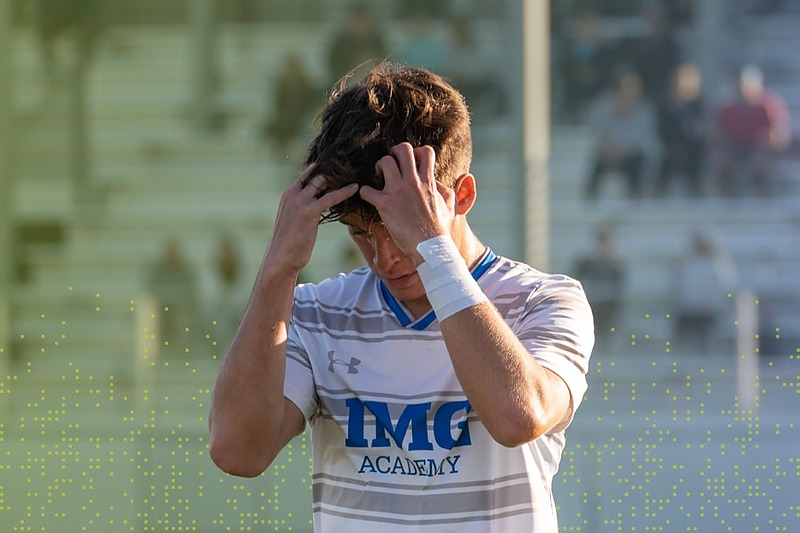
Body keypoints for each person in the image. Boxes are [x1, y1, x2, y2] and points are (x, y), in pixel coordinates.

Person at [208, 62, 594, 531]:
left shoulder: (545, 300)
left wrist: (431, 250)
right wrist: (276, 270)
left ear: (463, 195)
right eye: (362, 234)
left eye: (398, 231)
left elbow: (519, 416)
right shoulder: (314, 312)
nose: (385, 257)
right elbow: (236, 452)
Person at [713, 64, 792, 197]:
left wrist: (768, 142)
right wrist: (721, 148)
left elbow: (781, 134)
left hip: (760, 148)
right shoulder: (727, 106)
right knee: (722, 163)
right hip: (734, 147)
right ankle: (729, 199)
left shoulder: (769, 105)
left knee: (760, 164)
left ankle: (762, 197)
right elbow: (717, 131)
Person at [585, 69, 658, 199]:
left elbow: (643, 137)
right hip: (609, 152)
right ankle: (591, 197)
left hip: (631, 153)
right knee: (597, 163)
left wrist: (624, 149)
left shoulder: (643, 110)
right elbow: (598, 130)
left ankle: (636, 195)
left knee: (636, 162)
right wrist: (610, 147)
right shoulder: (604, 106)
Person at [573, 228, 626, 348]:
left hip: (607, 312)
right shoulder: (585, 265)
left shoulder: (615, 267)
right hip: (589, 310)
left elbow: (618, 295)